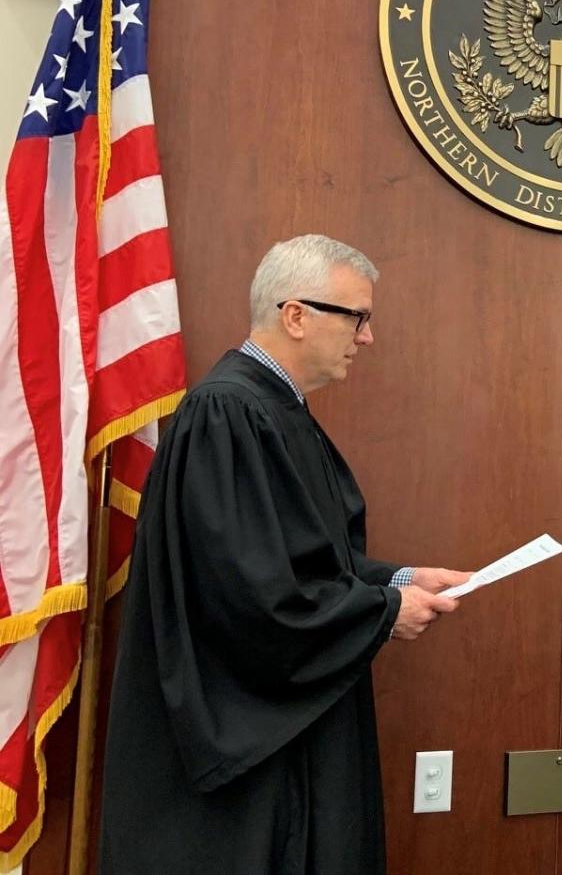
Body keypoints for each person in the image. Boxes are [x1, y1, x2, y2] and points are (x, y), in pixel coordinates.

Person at [98, 234, 471, 875]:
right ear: (295, 315)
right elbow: (250, 594)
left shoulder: (272, 409)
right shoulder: (228, 412)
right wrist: (382, 612)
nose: (367, 337)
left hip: (288, 732)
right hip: (247, 755)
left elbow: (306, 559)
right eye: (357, 317)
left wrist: (400, 581)